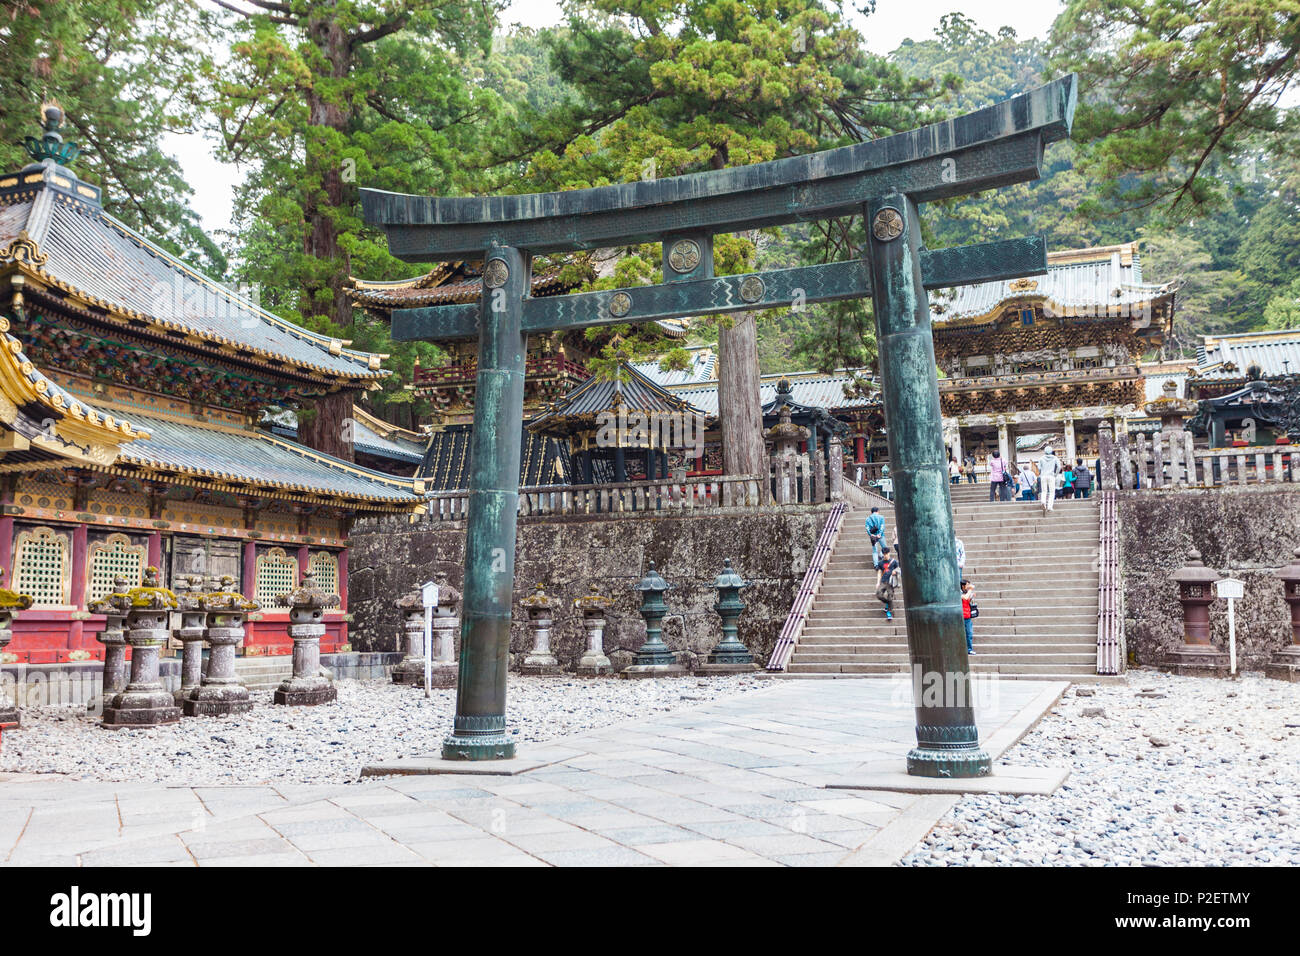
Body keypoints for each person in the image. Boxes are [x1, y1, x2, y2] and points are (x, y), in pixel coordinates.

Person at [876, 546, 900, 621]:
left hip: (890, 582)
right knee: (879, 594)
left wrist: (895, 571)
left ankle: (889, 613)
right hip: (883, 581)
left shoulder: (894, 561)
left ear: (889, 553)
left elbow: (899, 569)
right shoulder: (880, 563)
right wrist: (878, 582)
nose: (885, 555)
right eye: (884, 554)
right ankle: (888, 603)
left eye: (886, 554)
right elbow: (879, 573)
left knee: (890, 595)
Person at [1039, 445, 1061, 512]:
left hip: (1043, 476)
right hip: (1051, 476)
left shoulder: (1041, 458)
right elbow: (1059, 467)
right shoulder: (1055, 458)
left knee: (1044, 491)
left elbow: (1039, 468)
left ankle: (1043, 502)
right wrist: (1055, 474)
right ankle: (1049, 506)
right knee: (1051, 492)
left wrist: (1041, 473)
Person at [865, 506, 886, 571]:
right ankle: (882, 556)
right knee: (885, 548)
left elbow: (867, 528)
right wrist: (879, 533)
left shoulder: (868, 519)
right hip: (881, 535)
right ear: (878, 511)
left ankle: (876, 565)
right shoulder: (881, 517)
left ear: (871, 512)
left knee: (874, 551)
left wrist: (871, 534)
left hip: (873, 537)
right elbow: (882, 526)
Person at [961, 579, 976, 655]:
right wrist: (970, 590)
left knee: (969, 633)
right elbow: (965, 597)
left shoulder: (966, 593)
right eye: (967, 585)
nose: (968, 586)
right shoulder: (959, 593)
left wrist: (972, 595)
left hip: (967, 615)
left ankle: (969, 649)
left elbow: (968, 599)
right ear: (963, 586)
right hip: (961, 616)